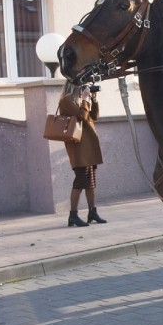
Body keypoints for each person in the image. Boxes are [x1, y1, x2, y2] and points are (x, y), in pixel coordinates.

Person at [58, 83, 107, 227]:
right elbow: (82, 116)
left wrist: (93, 100)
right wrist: (85, 99)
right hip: (79, 147)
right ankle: (73, 215)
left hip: (88, 146)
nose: (84, 90)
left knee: (91, 181)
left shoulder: (79, 101)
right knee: (80, 180)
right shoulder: (66, 101)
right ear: (74, 87)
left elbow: (94, 116)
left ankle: (92, 212)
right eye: (82, 87)